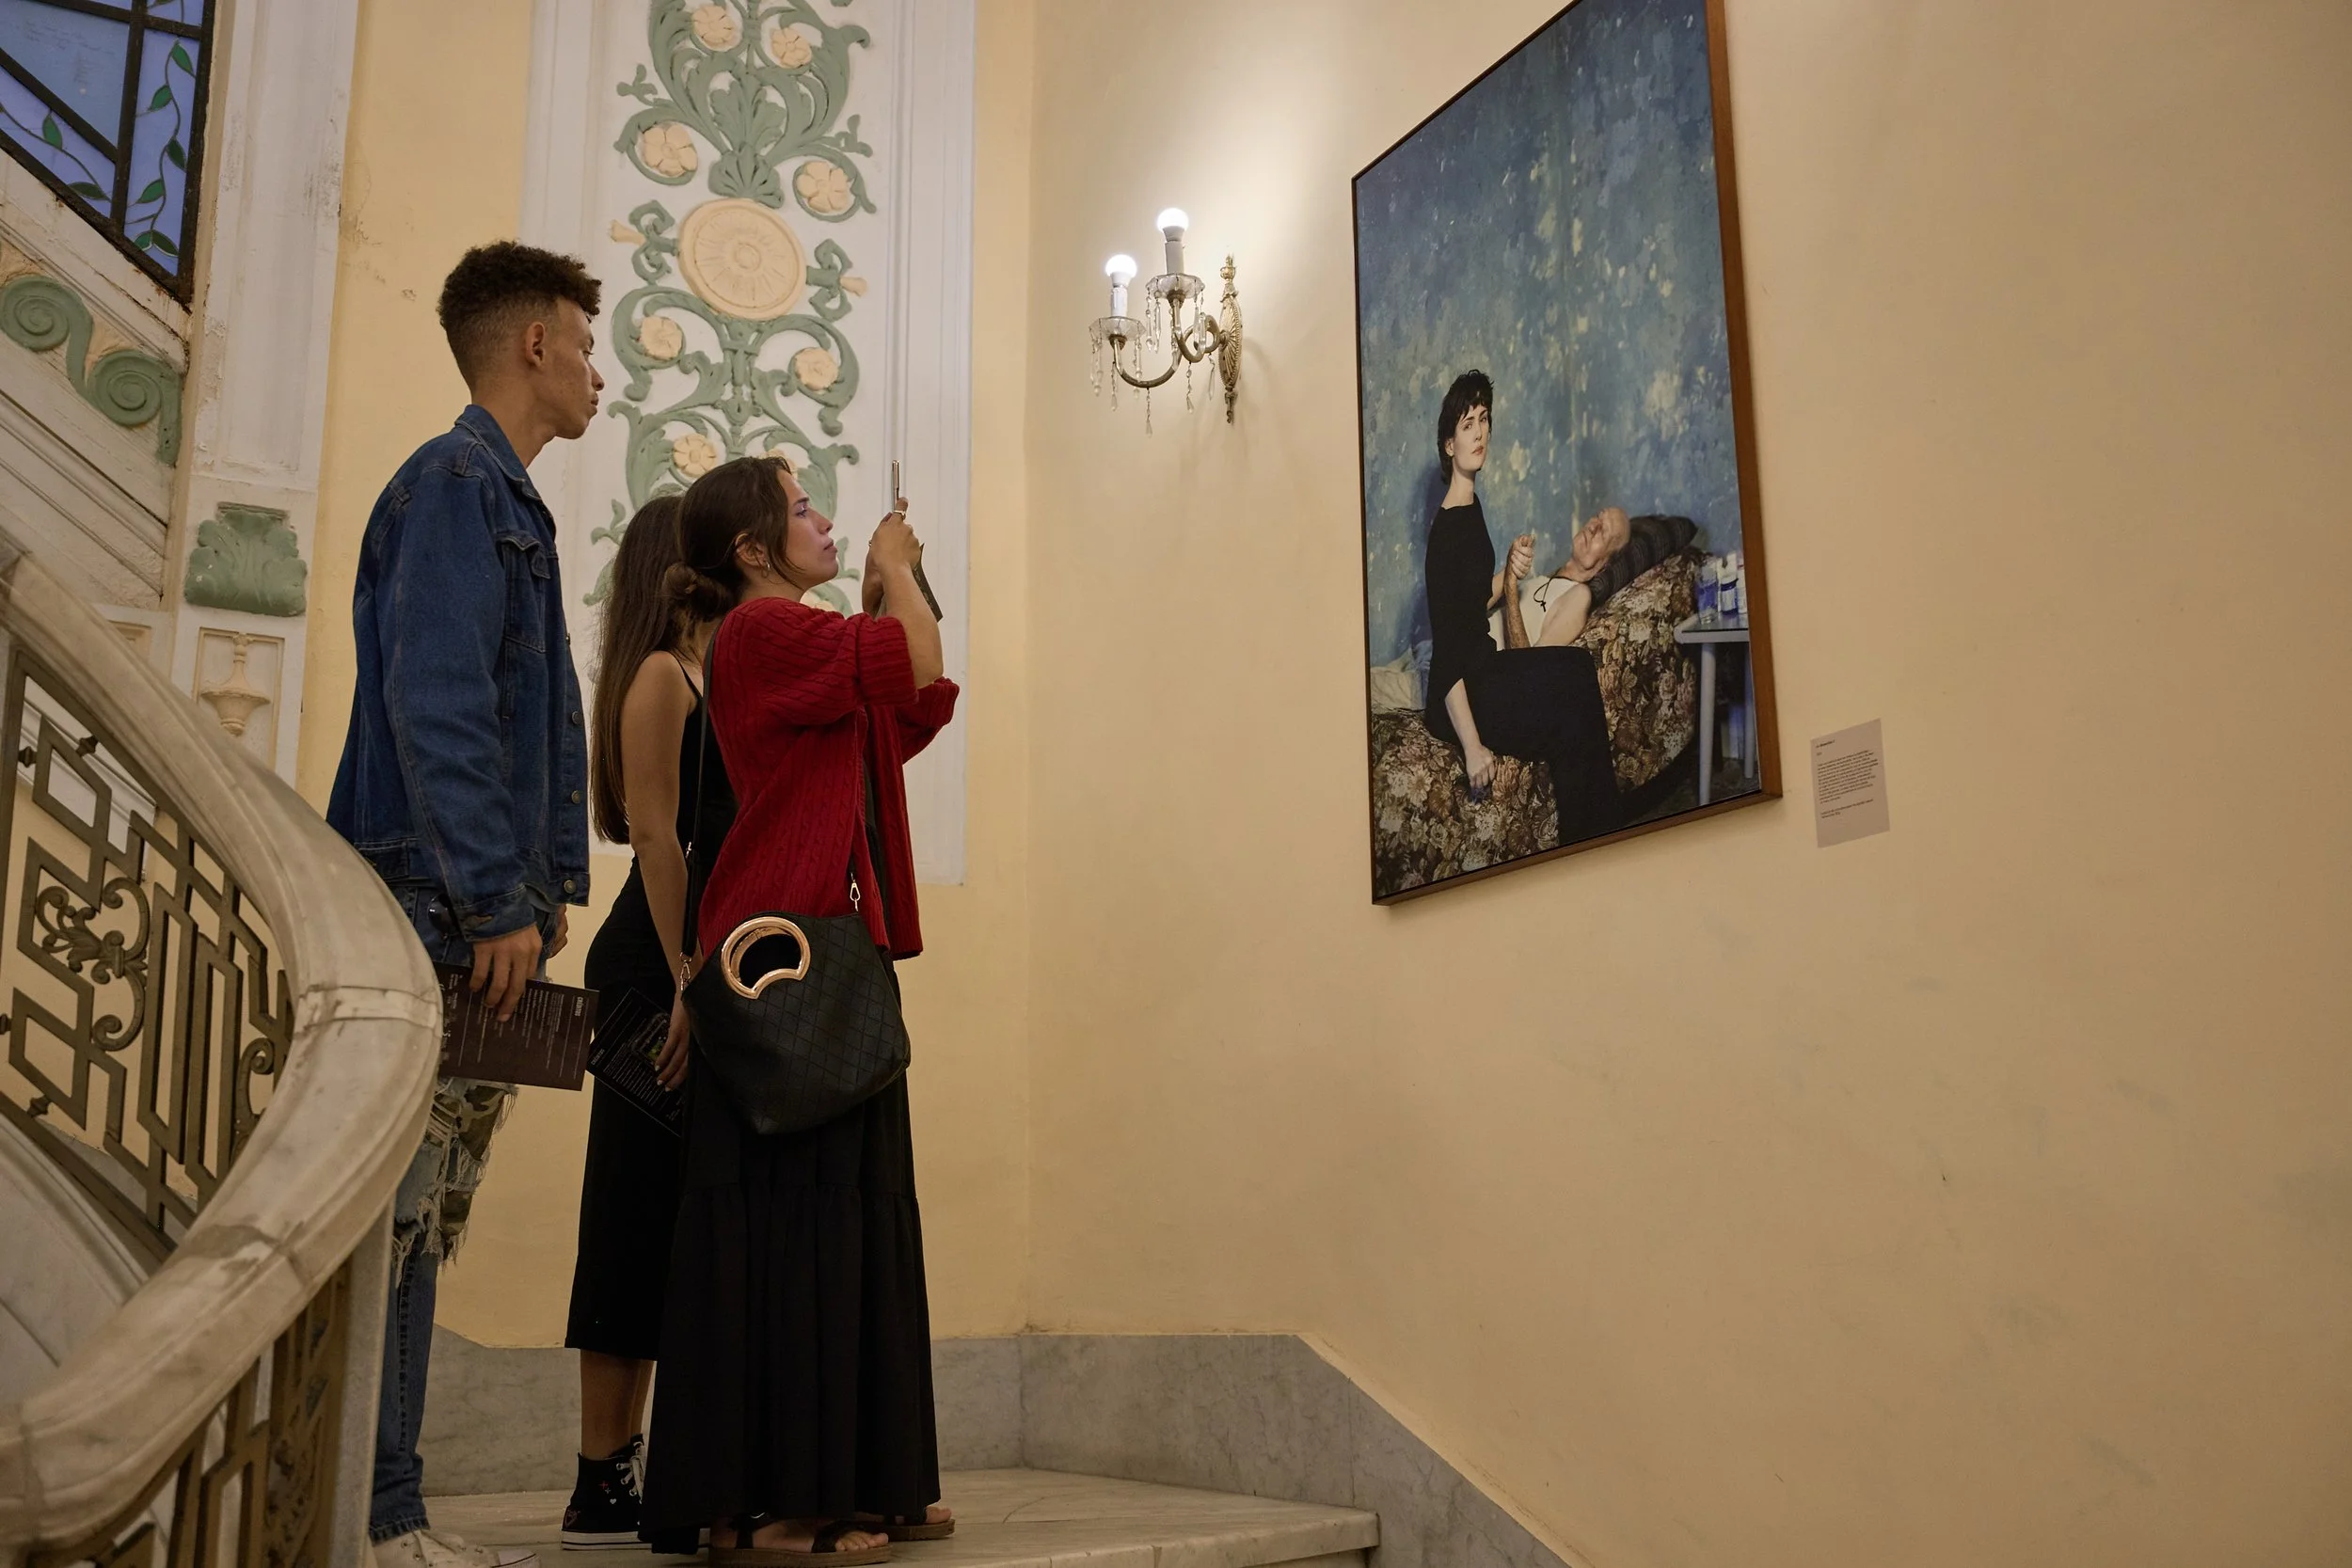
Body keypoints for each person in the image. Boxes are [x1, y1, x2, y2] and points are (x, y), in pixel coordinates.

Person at [326, 240, 604, 1568]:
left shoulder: (499, 498)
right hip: (436, 914)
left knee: (423, 1224)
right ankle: (375, 1516)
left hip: (472, 916)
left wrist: (537, 899)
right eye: (587, 343)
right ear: (537, 344)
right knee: (397, 1226)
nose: (599, 371)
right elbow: (434, 705)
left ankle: (389, 1506)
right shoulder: (455, 488)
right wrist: (500, 897)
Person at [641, 454, 958, 1565]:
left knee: (847, 1211)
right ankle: (783, 1501)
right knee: (802, 1225)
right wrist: (895, 570)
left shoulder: (802, 646)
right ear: (753, 549)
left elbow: (911, 703)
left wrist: (884, 594)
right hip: (787, 962)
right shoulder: (765, 634)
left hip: (829, 951)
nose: (824, 519)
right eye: (805, 509)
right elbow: (915, 656)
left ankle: (866, 1475)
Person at [561, 495, 735, 1550]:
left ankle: (627, 1466)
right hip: (647, 966)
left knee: (670, 1215)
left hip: (683, 961)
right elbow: (659, 840)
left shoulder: (707, 670)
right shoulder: (663, 676)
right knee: (630, 1213)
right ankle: (598, 1472)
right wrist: (682, 976)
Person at [1421, 370, 1622, 839]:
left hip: (1482, 668)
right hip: (1460, 689)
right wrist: (1472, 747)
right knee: (1570, 689)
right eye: (1467, 424)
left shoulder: (1472, 510)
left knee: (1576, 674)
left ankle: (1594, 835)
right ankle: (1594, 838)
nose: (1480, 432)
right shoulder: (1447, 530)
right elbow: (1447, 646)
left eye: (1484, 420)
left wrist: (1509, 569)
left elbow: (1470, 602)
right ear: (1449, 445)